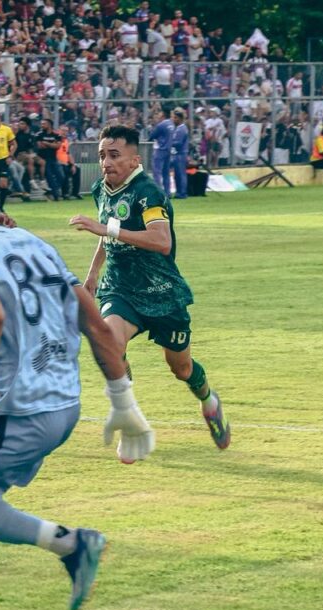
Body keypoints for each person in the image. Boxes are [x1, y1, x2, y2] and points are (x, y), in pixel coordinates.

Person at [0, 162, 155, 610]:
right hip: (64, 405)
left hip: (20, 411)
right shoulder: (30, 242)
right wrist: (123, 401)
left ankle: (70, 544)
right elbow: (96, 326)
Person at [72, 125, 231, 451]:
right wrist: (93, 273)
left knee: (181, 368)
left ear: (135, 159)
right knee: (110, 343)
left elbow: (161, 240)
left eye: (114, 155)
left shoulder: (149, 193)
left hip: (161, 291)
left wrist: (106, 229)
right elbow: (108, 231)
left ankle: (209, 401)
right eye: (102, 155)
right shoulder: (102, 189)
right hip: (120, 287)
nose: (106, 162)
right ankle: (128, 419)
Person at [149, 109, 174, 192]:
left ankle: (158, 192)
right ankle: (167, 192)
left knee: (157, 172)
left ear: (163, 114)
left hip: (160, 150)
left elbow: (152, 135)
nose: (158, 115)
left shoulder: (161, 125)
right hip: (168, 150)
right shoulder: (171, 124)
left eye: (159, 113)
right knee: (166, 172)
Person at [169, 108, 189, 199]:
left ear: (180, 118)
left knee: (180, 174)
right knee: (177, 174)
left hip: (180, 154)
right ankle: (179, 192)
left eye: (175, 118)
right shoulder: (178, 128)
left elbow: (179, 143)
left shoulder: (182, 129)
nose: (173, 119)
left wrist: (169, 142)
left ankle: (182, 193)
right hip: (177, 154)